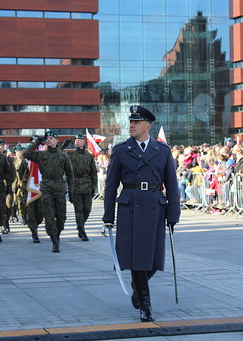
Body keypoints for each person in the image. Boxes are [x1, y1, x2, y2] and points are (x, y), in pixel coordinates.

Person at [102, 105, 180, 322]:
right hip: (130, 207)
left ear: (148, 126)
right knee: (137, 258)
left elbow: (172, 185)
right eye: (131, 122)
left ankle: (138, 289)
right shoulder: (120, 150)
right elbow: (110, 186)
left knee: (153, 259)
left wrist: (174, 214)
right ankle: (145, 305)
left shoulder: (162, 151)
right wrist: (108, 216)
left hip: (155, 206)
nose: (132, 125)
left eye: (136, 122)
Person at [23, 131, 74, 253]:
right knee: (49, 216)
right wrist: (36, 142)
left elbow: (70, 175)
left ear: (57, 141)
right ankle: (54, 240)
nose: (49, 140)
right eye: (47, 138)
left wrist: (71, 191)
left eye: (51, 138)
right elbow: (26, 153)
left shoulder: (63, 156)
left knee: (61, 217)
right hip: (46, 189)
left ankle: (57, 234)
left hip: (59, 189)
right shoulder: (41, 155)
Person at [68, 133, 97, 241]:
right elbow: (68, 174)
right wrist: (69, 189)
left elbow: (93, 173)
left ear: (84, 142)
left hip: (87, 185)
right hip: (76, 186)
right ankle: (82, 229)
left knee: (87, 209)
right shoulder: (71, 156)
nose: (77, 142)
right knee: (78, 210)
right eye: (76, 140)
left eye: (79, 140)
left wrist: (94, 187)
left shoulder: (89, 156)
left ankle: (80, 225)